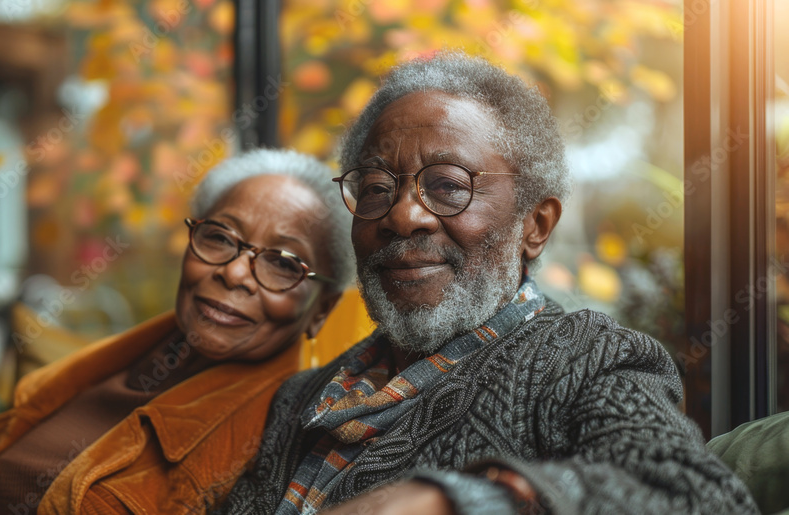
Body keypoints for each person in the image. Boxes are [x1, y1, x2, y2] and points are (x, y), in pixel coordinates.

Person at [217, 53, 758, 514]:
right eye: (377, 187)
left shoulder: (587, 358)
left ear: (535, 225)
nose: (403, 216)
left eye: (449, 186)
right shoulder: (300, 399)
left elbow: (699, 497)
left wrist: (456, 500)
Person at [0, 148, 355, 514]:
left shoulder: (275, 447)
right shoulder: (110, 367)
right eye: (220, 237)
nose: (234, 273)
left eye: (282, 263)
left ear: (321, 309)